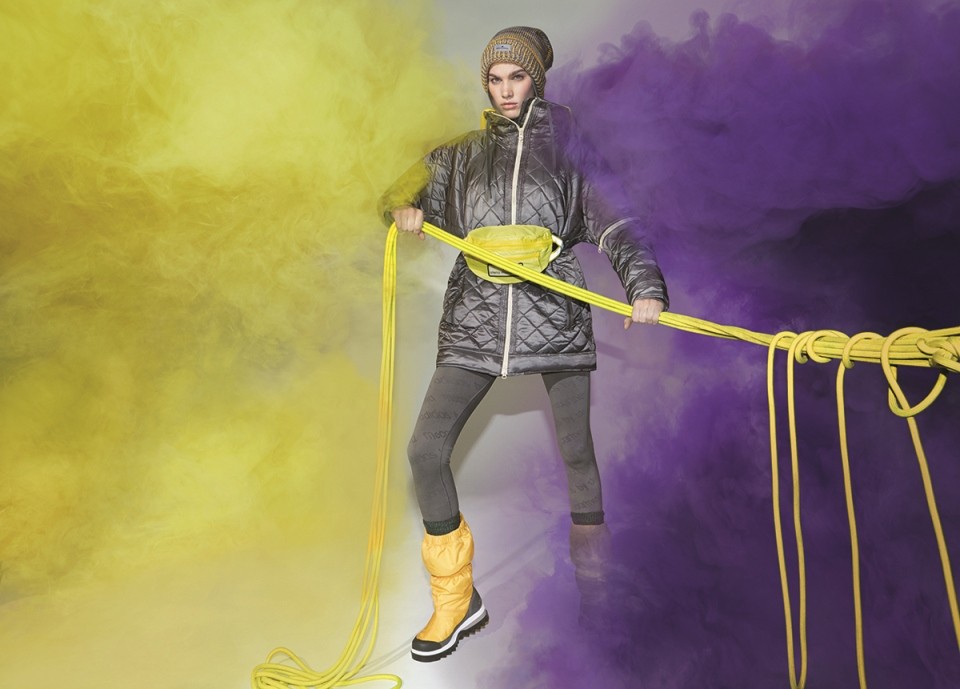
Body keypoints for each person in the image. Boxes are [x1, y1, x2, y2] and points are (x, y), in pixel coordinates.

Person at [378, 26, 668, 662]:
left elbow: (620, 224)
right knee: (425, 450)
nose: (506, 90)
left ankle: (598, 603)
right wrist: (403, 207)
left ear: (536, 79)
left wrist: (644, 288)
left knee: (577, 454)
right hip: (474, 321)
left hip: (554, 317)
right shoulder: (458, 156)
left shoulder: (572, 152)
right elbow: (395, 194)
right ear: (485, 85)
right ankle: (457, 600)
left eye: (517, 77)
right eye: (495, 79)